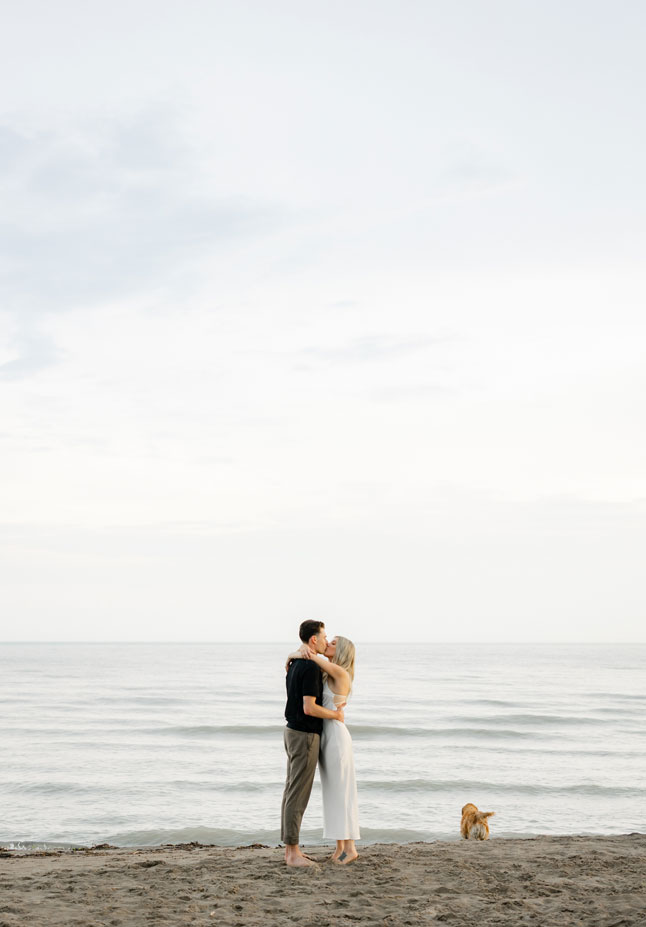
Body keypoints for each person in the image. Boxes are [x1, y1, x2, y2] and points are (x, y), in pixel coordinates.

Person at [286, 634, 360, 864]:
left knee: (342, 792)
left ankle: (350, 849)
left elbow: (312, 658)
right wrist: (293, 656)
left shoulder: (341, 673)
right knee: (333, 793)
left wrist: (301, 653)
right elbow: (311, 659)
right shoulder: (327, 672)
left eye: (333, 643)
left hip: (336, 737)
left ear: (342, 652)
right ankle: (339, 849)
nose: (328, 643)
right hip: (326, 736)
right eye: (329, 640)